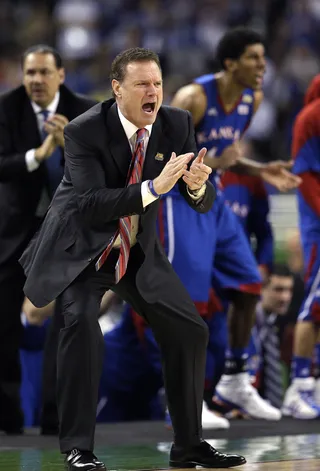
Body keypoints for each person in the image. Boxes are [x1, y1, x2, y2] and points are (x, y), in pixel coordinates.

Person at [20, 47, 246, 470]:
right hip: (84, 250)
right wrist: (153, 187)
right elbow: (88, 204)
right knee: (82, 327)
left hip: (137, 250)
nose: (154, 92)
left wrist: (197, 187)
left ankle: (189, 444)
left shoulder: (177, 123)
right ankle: (77, 448)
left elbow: (198, 198)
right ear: (117, 89)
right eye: (142, 84)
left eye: (158, 84)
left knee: (190, 329)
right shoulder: (84, 132)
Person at [161, 27, 300, 420]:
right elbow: (161, 157)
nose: (263, 65)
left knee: (248, 284)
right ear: (230, 63)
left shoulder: (251, 100)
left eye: (263, 56)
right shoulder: (193, 97)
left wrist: (259, 168)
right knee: (190, 304)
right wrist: (217, 165)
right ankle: (181, 403)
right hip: (179, 201)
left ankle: (236, 381)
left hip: (214, 198)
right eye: (254, 57)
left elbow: (222, 155)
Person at [0, 44, 96, 434]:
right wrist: (38, 154)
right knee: (4, 325)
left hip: (66, 234)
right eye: (29, 73)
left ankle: (59, 420)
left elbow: (102, 168)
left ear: (61, 74)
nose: (35, 80)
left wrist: (68, 144)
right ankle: (7, 422)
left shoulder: (87, 109)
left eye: (43, 72)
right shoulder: (6, 108)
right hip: (13, 233)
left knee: (69, 326)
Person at [282, 74, 320, 419]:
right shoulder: (310, 118)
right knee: (316, 305)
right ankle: (299, 386)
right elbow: (304, 176)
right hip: (318, 225)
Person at [253, 264, 294, 409]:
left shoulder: (281, 323)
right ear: (261, 288)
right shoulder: (244, 323)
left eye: (289, 290)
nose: (285, 297)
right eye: (278, 290)